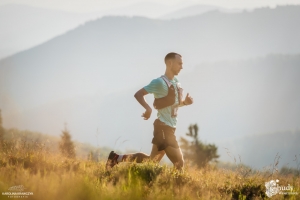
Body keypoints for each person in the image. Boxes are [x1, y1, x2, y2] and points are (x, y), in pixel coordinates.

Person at [106, 52, 193, 170]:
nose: (182, 67)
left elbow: (174, 105)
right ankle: (177, 187)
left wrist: (185, 103)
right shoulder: (159, 82)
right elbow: (138, 94)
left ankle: (116, 158)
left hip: (170, 127)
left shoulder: (176, 82)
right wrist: (147, 108)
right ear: (169, 63)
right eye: (179, 64)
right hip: (163, 128)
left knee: (151, 161)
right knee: (179, 163)